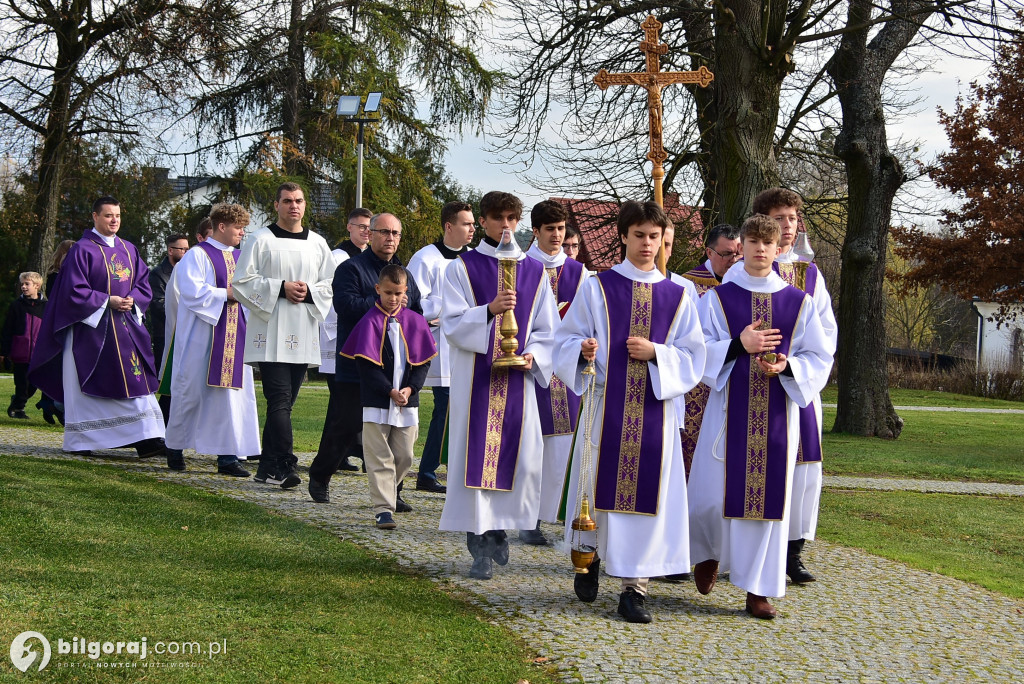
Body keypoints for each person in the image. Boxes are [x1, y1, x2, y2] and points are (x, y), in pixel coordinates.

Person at [555, 200, 706, 624]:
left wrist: (657, 352)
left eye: (654, 237)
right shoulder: (597, 287)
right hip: (606, 407)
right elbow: (565, 339)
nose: (647, 244)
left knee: (646, 500)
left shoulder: (679, 295)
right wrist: (581, 350)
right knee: (597, 489)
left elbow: (694, 356)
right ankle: (590, 556)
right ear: (623, 236)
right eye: (639, 235)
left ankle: (634, 589)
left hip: (655, 412)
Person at [687, 214, 832, 619]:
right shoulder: (717, 299)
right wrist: (738, 344)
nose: (761, 249)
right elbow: (697, 349)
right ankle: (709, 552)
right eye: (753, 242)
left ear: (777, 249)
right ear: (743, 246)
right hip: (726, 412)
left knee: (765, 505)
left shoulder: (797, 302)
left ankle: (758, 588)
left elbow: (819, 355)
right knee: (710, 497)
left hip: (775, 415)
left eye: (768, 243)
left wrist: (788, 366)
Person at [438, 190, 558, 580]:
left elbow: (548, 330)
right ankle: (480, 549)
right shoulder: (462, 268)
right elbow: (452, 323)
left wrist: (534, 354)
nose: (505, 225)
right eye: (497, 218)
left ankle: (500, 531)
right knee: (475, 462)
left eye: (511, 218)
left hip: (517, 383)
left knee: (518, 461)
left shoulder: (535, 272)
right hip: (476, 381)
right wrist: (489, 310)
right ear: (483, 221)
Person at [28, 196, 166, 460]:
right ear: (95, 216)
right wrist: (106, 301)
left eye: (118, 216)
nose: (114, 220)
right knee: (89, 384)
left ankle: (146, 438)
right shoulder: (81, 250)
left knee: (135, 380)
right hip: (90, 332)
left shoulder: (129, 249)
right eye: (108, 215)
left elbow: (142, 284)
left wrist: (133, 300)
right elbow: (72, 291)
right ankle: (83, 439)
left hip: (125, 328)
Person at [753, 188, 838, 584]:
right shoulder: (749, 266)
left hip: (797, 381)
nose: (787, 226)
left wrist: (798, 367)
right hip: (752, 383)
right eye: (779, 218)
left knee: (805, 468)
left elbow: (826, 332)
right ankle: (750, 548)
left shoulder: (809, 274)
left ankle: (793, 550)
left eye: (792, 218)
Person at [308, 212, 422, 503]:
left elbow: (417, 311)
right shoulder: (351, 268)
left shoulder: (404, 273)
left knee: (396, 431)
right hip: (357, 364)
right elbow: (345, 306)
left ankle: (393, 492)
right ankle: (320, 476)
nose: (390, 238)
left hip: (395, 367)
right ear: (370, 234)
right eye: (384, 232)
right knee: (345, 425)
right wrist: (382, 301)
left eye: (395, 233)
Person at [231, 182, 334, 489]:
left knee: (285, 404)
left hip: (302, 330)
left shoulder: (318, 243)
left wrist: (309, 291)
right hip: (270, 331)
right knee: (279, 400)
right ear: (276, 205)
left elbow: (329, 283)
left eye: (298, 201)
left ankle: (266, 465)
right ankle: (285, 464)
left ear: (305, 205)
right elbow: (241, 282)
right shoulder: (259, 239)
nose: (294, 206)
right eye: (287, 201)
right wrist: (280, 288)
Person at [164, 203, 260, 477]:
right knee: (191, 392)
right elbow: (191, 292)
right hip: (202, 336)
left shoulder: (242, 257)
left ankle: (228, 457)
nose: (242, 233)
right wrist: (226, 294)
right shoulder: (197, 255)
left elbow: (252, 291)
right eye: (238, 227)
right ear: (221, 226)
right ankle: (175, 447)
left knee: (231, 398)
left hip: (235, 336)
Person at [340, 265, 437, 528]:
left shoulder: (415, 321)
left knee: (404, 455)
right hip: (377, 400)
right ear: (378, 290)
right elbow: (366, 367)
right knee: (379, 456)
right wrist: (389, 391)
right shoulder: (368, 322)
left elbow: (423, 363)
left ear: (406, 292)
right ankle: (383, 509)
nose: (393, 299)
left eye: (398, 293)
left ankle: (386, 489)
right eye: (388, 293)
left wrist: (410, 389)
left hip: (407, 401)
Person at [523, 199, 588, 545]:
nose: (557, 236)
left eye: (561, 229)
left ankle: (548, 514)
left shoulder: (579, 273)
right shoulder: (521, 267)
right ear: (535, 231)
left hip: (567, 370)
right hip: (530, 368)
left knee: (562, 445)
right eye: (550, 229)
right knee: (529, 444)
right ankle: (524, 514)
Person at [406, 201, 476, 494]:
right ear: (449, 226)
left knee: (467, 409)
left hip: (469, 344)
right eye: (466, 224)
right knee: (445, 407)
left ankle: (459, 470)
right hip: (439, 345)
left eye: (473, 224)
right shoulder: (425, 259)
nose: (472, 229)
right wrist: (444, 308)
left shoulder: (473, 259)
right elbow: (411, 302)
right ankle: (426, 471)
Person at [678, 224, 742, 478]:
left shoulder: (743, 284)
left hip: (730, 374)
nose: (733, 260)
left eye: (737, 253)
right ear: (709, 252)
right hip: (696, 383)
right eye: (726, 254)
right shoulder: (687, 284)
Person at [316, 207, 373, 473]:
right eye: (360, 226)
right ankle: (333, 456)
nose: (366, 231)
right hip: (339, 335)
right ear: (349, 227)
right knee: (340, 402)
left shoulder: (370, 258)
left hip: (365, 336)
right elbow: (329, 297)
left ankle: (346, 452)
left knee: (352, 402)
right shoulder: (338, 257)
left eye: (369, 227)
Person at [2, 272, 46, 419]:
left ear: (37, 286)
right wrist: (4, 352)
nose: (23, 287)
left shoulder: (46, 306)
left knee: (33, 385)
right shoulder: (16, 305)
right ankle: (18, 408)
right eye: (22, 284)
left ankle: (17, 401)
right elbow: (7, 329)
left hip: (38, 354)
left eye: (27, 284)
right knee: (21, 384)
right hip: (20, 352)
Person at [148, 234, 189, 369]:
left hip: (186, 332)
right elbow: (158, 304)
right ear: (170, 250)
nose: (186, 253)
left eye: (187, 249)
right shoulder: (157, 274)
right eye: (182, 249)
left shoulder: (189, 273)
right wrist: (186, 312)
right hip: (165, 334)